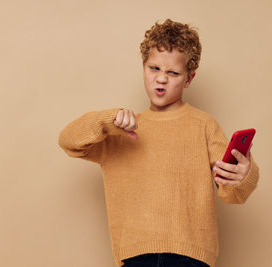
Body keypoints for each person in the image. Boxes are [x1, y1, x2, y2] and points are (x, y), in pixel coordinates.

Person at [58, 19, 259, 267]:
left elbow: (233, 193)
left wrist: (244, 175)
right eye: (154, 69)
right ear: (143, 68)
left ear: (189, 78)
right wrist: (108, 119)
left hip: (190, 258)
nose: (161, 79)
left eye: (173, 72)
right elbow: (68, 141)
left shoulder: (203, 125)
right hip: (135, 257)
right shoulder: (120, 130)